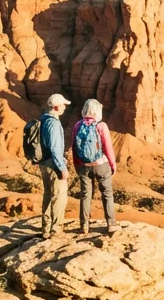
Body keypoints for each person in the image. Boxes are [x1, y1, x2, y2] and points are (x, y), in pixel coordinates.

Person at [71, 98, 120, 234]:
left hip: (84, 166)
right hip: (101, 165)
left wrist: (77, 166)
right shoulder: (101, 126)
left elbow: (74, 147)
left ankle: (84, 225)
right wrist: (112, 164)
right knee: (107, 194)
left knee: (85, 195)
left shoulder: (77, 126)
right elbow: (108, 147)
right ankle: (111, 224)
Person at [38, 93, 71, 239]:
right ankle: (56, 228)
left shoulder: (43, 119)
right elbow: (55, 146)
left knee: (48, 195)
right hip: (53, 163)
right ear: (56, 107)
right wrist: (62, 167)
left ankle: (45, 228)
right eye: (63, 105)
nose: (65, 107)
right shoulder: (53, 123)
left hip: (44, 162)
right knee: (59, 195)